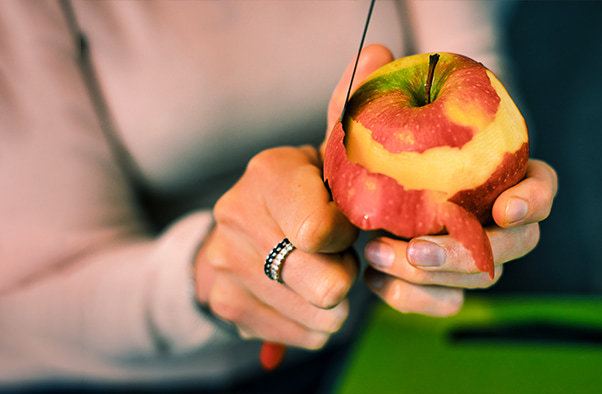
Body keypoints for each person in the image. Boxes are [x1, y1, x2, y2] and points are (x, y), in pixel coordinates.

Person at [0, 0, 557, 390]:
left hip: (378, 329)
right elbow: (27, 295)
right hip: (131, 373)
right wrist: (205, 273)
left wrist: (475, 205)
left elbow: (480, 86)